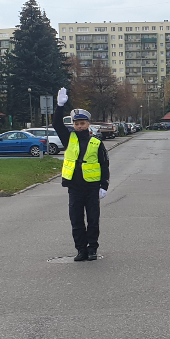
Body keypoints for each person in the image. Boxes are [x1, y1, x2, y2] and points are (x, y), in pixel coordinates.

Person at [54, 87, 110, 261]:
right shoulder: (68, 138)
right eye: (76, 124)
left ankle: (92, 248)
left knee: (93, 220)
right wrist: (59, 106)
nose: (79, 126)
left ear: (88, 124)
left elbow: (104, 164)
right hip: (75, 187)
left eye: (82, 123)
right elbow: (57, 124)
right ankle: (81, 249)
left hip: (92, 188)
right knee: (76, 221)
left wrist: (104, 186)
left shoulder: (96, 142)